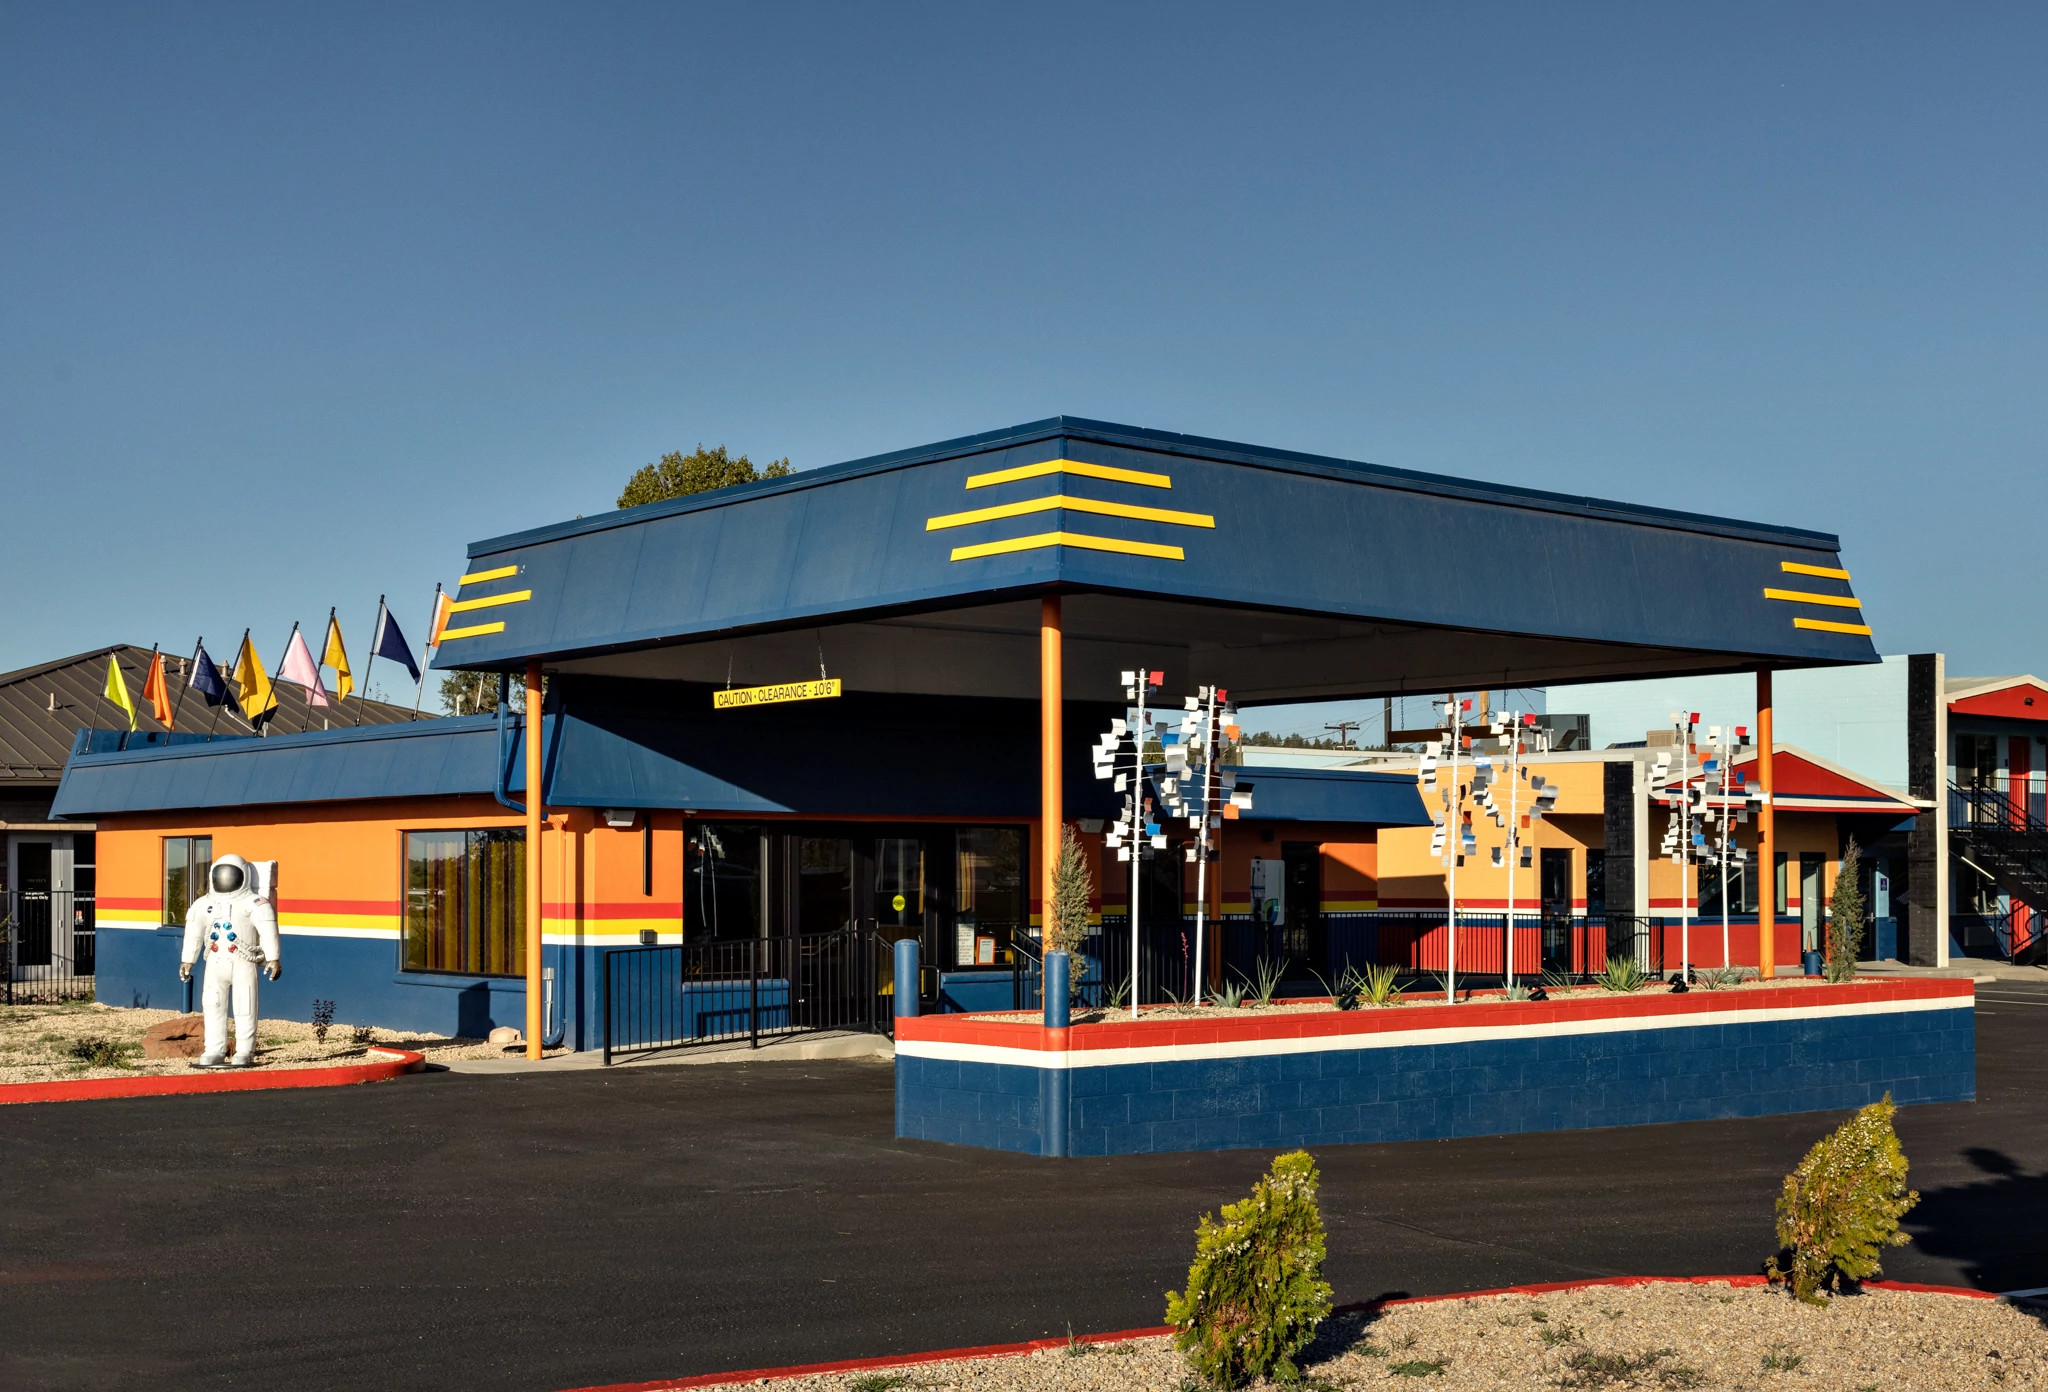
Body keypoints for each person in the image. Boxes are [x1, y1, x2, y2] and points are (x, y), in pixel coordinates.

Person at [178, 855, 281, 1067]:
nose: (226, 877)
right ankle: (214, 1050)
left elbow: (268, 931)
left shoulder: (255, 903)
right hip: (215, 963)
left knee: (245, 1006)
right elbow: (194, 933)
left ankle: (244, 1050)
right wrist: (188, 959)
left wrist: (273, 957)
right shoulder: (203, 904)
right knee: (212, 1004)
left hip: (243, 962)